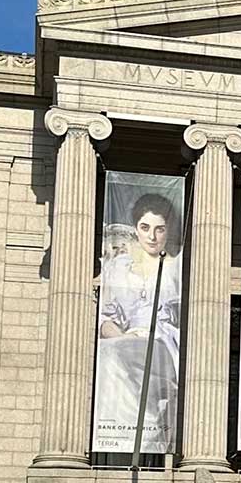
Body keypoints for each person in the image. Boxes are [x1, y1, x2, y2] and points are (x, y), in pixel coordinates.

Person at [95, 191, 183, 448]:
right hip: (129, 341)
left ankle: (144, 438)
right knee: (106, 352)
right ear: (136, 229)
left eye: (160, 229)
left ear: (168, 231)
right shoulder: (119, 267)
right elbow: (106, 317)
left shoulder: (175, 267)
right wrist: (122, 337)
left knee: (113, 355)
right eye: (145, 228)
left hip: (164, 342)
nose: (152, 237)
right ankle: (134, 437)